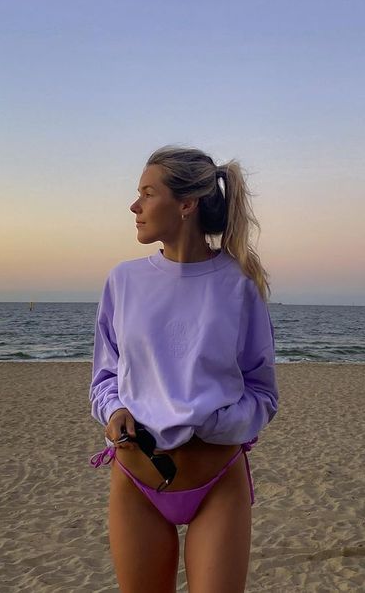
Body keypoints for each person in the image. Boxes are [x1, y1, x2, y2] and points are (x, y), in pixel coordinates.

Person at [88, 145, 279, 593]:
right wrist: (113, 413)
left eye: (148, 193)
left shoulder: (239, 284)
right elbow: (105, 377)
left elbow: (263, 392)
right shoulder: (123, 281)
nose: (135, 206)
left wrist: (214, 423)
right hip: (136, 480)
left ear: (187, 204)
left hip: (216, 482)